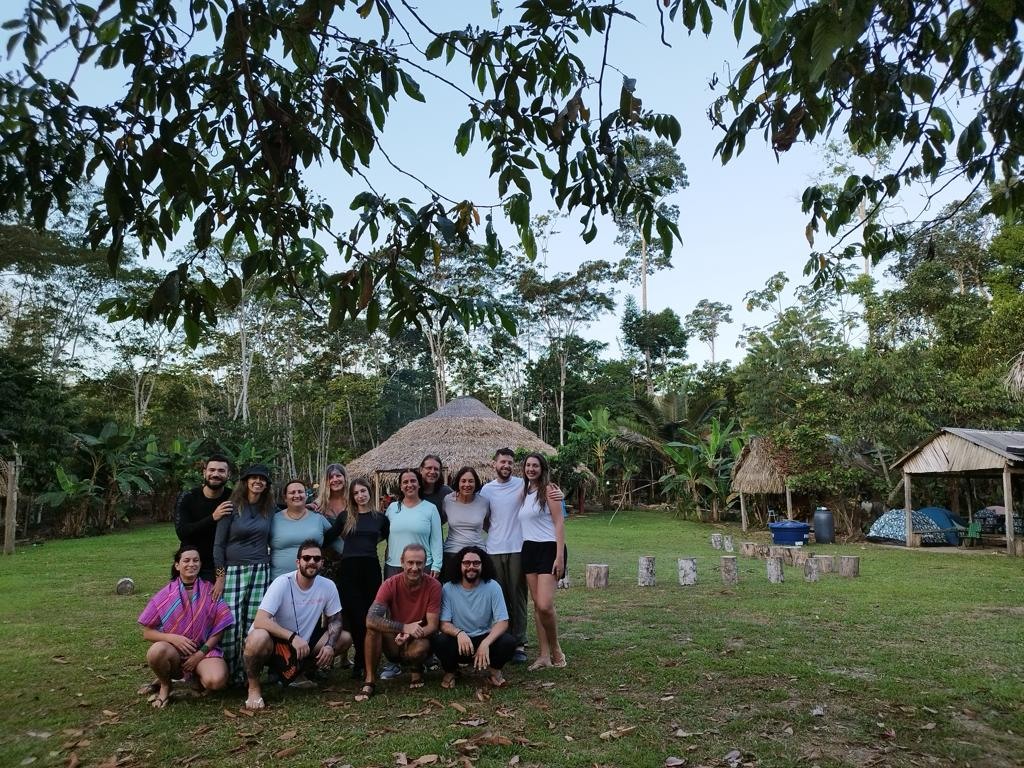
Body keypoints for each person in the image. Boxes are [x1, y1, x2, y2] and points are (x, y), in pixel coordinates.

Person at [242, 540, 352, 709]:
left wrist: (329, 645)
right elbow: (260, 620)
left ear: (322, 562)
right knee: (257, 637)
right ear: (298, 562)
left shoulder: (327, 586)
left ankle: (299, 674)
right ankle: (254, 688)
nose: (312, 562)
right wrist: (292, 637)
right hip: (274, 642)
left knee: (343, 638)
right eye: (306, 558)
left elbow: (336, 619)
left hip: (303, 644)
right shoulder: (282, 582)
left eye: (317, 559)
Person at [479, 448, 562, 664]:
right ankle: (503, 639)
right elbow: (485, 518)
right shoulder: (487, 490)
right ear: (494, 464)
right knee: (500, 597)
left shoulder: (523, 484)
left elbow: (556, 512)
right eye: (502, 462)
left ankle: (520, 642)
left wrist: (558, 493)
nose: (506, 466)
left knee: (520, 598)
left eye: (509, 462)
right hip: (495, 548)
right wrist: (496, 530)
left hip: (520, 547)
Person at [138, 544, 233, 708]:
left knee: (216, 681)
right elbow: (147, 632)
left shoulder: (211, 591)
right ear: (177, 565)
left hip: (204, 652)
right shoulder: (165, 595)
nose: (191, 564)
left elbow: (220, 628)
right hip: (175, 654)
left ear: (201, 564)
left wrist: (200, 654)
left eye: (196, 560)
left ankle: (197, 676)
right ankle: (166, 686)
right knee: (156, 652)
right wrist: (172, 638)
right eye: (186, 560)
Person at [213, 463, 275, 685]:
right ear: (245, 481)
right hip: (233, 570)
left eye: (262, 479)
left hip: (260, 569)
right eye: (253, 478)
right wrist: (220, 577)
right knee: (231, 622)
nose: (258, 481)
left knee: (253, 622)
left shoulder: (269, 509)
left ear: (267, 484)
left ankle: (249, 673)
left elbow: (292, 510)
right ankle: (230, 671)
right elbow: (218, 545)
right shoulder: (230, 507)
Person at [356, 543, 441, 700]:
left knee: (419, 648)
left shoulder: (434, 586)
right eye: (410, 562)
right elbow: (370, 618)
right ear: (402, 562)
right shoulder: (390, 584)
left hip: (418, 636)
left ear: (425, 563)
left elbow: (433, 625)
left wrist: (409, 634)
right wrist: (403, 628)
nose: (414, 568)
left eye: (419, 563)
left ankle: (417, 667)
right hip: (395, 637)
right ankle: (369, 680)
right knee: (372, 629)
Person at [432, 545, 516, 689]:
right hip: (461, 641)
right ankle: (451, 671)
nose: (471, 567)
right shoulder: (448, 588)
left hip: (484, 638)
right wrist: (459, 633)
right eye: (466, 563)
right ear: (460, 565)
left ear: (483, 565)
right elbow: (444, 624)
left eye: (476, 563)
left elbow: (503, 622)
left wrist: (486, 643)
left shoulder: (493, 586)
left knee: (508, 642)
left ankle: (494, 671)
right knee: (440, 641)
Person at [337, 477, 389, 679]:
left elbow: (386, 535)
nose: (360, 496)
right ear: (352, 496)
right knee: (354, 617)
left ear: (370, 492)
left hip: (370, 568)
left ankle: (367, 660)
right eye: (356, 493)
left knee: (369, 616)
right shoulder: (345, 517)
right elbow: (329, 535)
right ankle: (359, 660)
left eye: (363, 491)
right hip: (349, 569)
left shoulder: (380, 518)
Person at [519, 452, 567, 670]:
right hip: (529, 549)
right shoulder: (524, 491)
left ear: (542, 468)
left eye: (535, 466)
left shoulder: (549, 490)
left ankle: (556, 648)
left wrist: (559, 557)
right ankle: (543, 655)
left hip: (549, 548)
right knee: (537, 605)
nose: (531, 469)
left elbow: (559, 523)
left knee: (546, 605)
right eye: (528, 465)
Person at [173, 454, 233, 583]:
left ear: (228, 475)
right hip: (191, 562)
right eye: (212, 470)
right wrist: (213, 517)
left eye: (221, 471)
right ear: (204, 472)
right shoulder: (188, 497)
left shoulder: (232, 497)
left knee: (215, 601)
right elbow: (182, 532)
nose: (216, 474)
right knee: (185, 601)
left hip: (220, 564)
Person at [269, 479, 334, 580]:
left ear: (306, 495)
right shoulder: (273, 519)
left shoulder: (318, 518)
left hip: (312, 580)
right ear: (285, 498)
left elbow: (336, 540)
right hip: (279, 581)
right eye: (292, 492)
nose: (297, 495)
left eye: (300, 492)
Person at [384, 468, 443, 578]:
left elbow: (437, 540)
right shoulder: (392, 508)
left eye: (413, 481)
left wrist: (437, 565)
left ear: (419, 484)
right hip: (394, 566)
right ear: (401, 487)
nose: (409, 484)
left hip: (421, 566)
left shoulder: (430, 509)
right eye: (405, 482)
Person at [441, 466, 490, 575]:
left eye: (471, 481)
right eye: (463, 481)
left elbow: (488, 526)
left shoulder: (484, 502)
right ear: (458, 483)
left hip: (478, 552)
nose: (467, 485)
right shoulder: (448, 500)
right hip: (452, 552)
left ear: (476, 483)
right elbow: (441, 521)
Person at [313, 463, 348, 585]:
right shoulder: (318, 505)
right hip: (326, 563)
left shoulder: (354, 503)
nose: (335, 480)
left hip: (351, 560)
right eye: (331, 477)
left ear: (345, 478)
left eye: (338, 476)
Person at [419, 454, 453, 524]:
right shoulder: (413, 491)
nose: (432, 472)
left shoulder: (446, 493)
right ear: (421, 470)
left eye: (436, 469)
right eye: (429, 468)